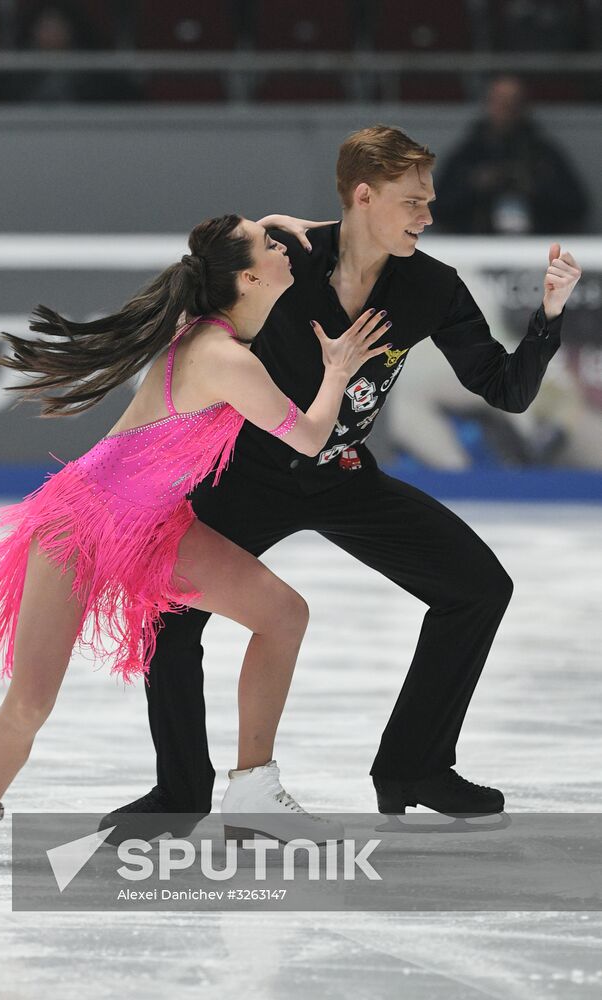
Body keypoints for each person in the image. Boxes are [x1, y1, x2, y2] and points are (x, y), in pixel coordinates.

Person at [104, 124, 582, 833]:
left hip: (344, 473)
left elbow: (505, 389)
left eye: (428, 200)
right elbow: (219, 269)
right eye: (413, 201)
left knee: (478, 589)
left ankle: (414, 764)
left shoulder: (431, 286)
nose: (427, 214)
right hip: (247, 475)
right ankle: (181, 790)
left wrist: (547, 317)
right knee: (170, 617)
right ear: (364, 196)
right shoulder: (288, 257)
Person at [0, 214, 392, 864]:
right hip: (81, 526)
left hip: (158, 528)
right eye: (271, 244)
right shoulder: (222, 357)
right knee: (32, 700)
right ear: (248, 277)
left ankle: (255, 788)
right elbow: (313, 438)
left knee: (283, 614)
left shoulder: (217, 326)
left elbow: (224, 248)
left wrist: (272, 221)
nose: (284, 247)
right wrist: (338, 369)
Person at [433, 75, 589, 235]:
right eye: (500, 101)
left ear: (524, 106)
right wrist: (475, 185)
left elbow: (577, 206)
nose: (507, 107)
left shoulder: (544, 153)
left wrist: (535, 186)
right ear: (488, 104)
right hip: (478, 245)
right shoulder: (468, 154)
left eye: (513, 101)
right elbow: (439, 208)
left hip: (536, 245)